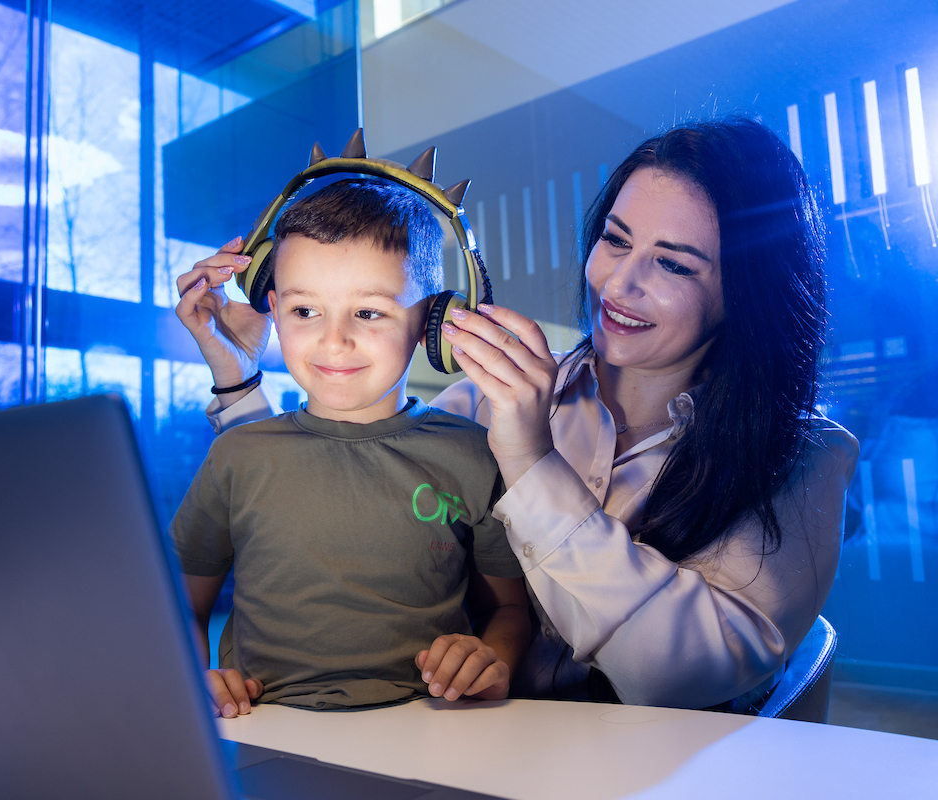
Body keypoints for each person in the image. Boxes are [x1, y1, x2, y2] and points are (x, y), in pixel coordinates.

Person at [175, 118, 859, 711]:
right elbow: (321, 484)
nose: (620, 283)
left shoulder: (802, 455)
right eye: (615, 240)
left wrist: (534, 465)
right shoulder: (484, 397)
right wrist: (238, 380)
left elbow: (686, 676)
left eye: (673, 266)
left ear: (746, 292)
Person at [171, 177, 529, 719]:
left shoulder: (476, 454)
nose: (333, 341)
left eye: (368, 313)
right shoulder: (236, 456)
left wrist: (491, 658)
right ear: (274, 308)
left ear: (434, 321)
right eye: (305, 311)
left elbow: (509, 611)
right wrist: (194, 682)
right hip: (265, 728)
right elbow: (178, 611)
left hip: (430, 731)